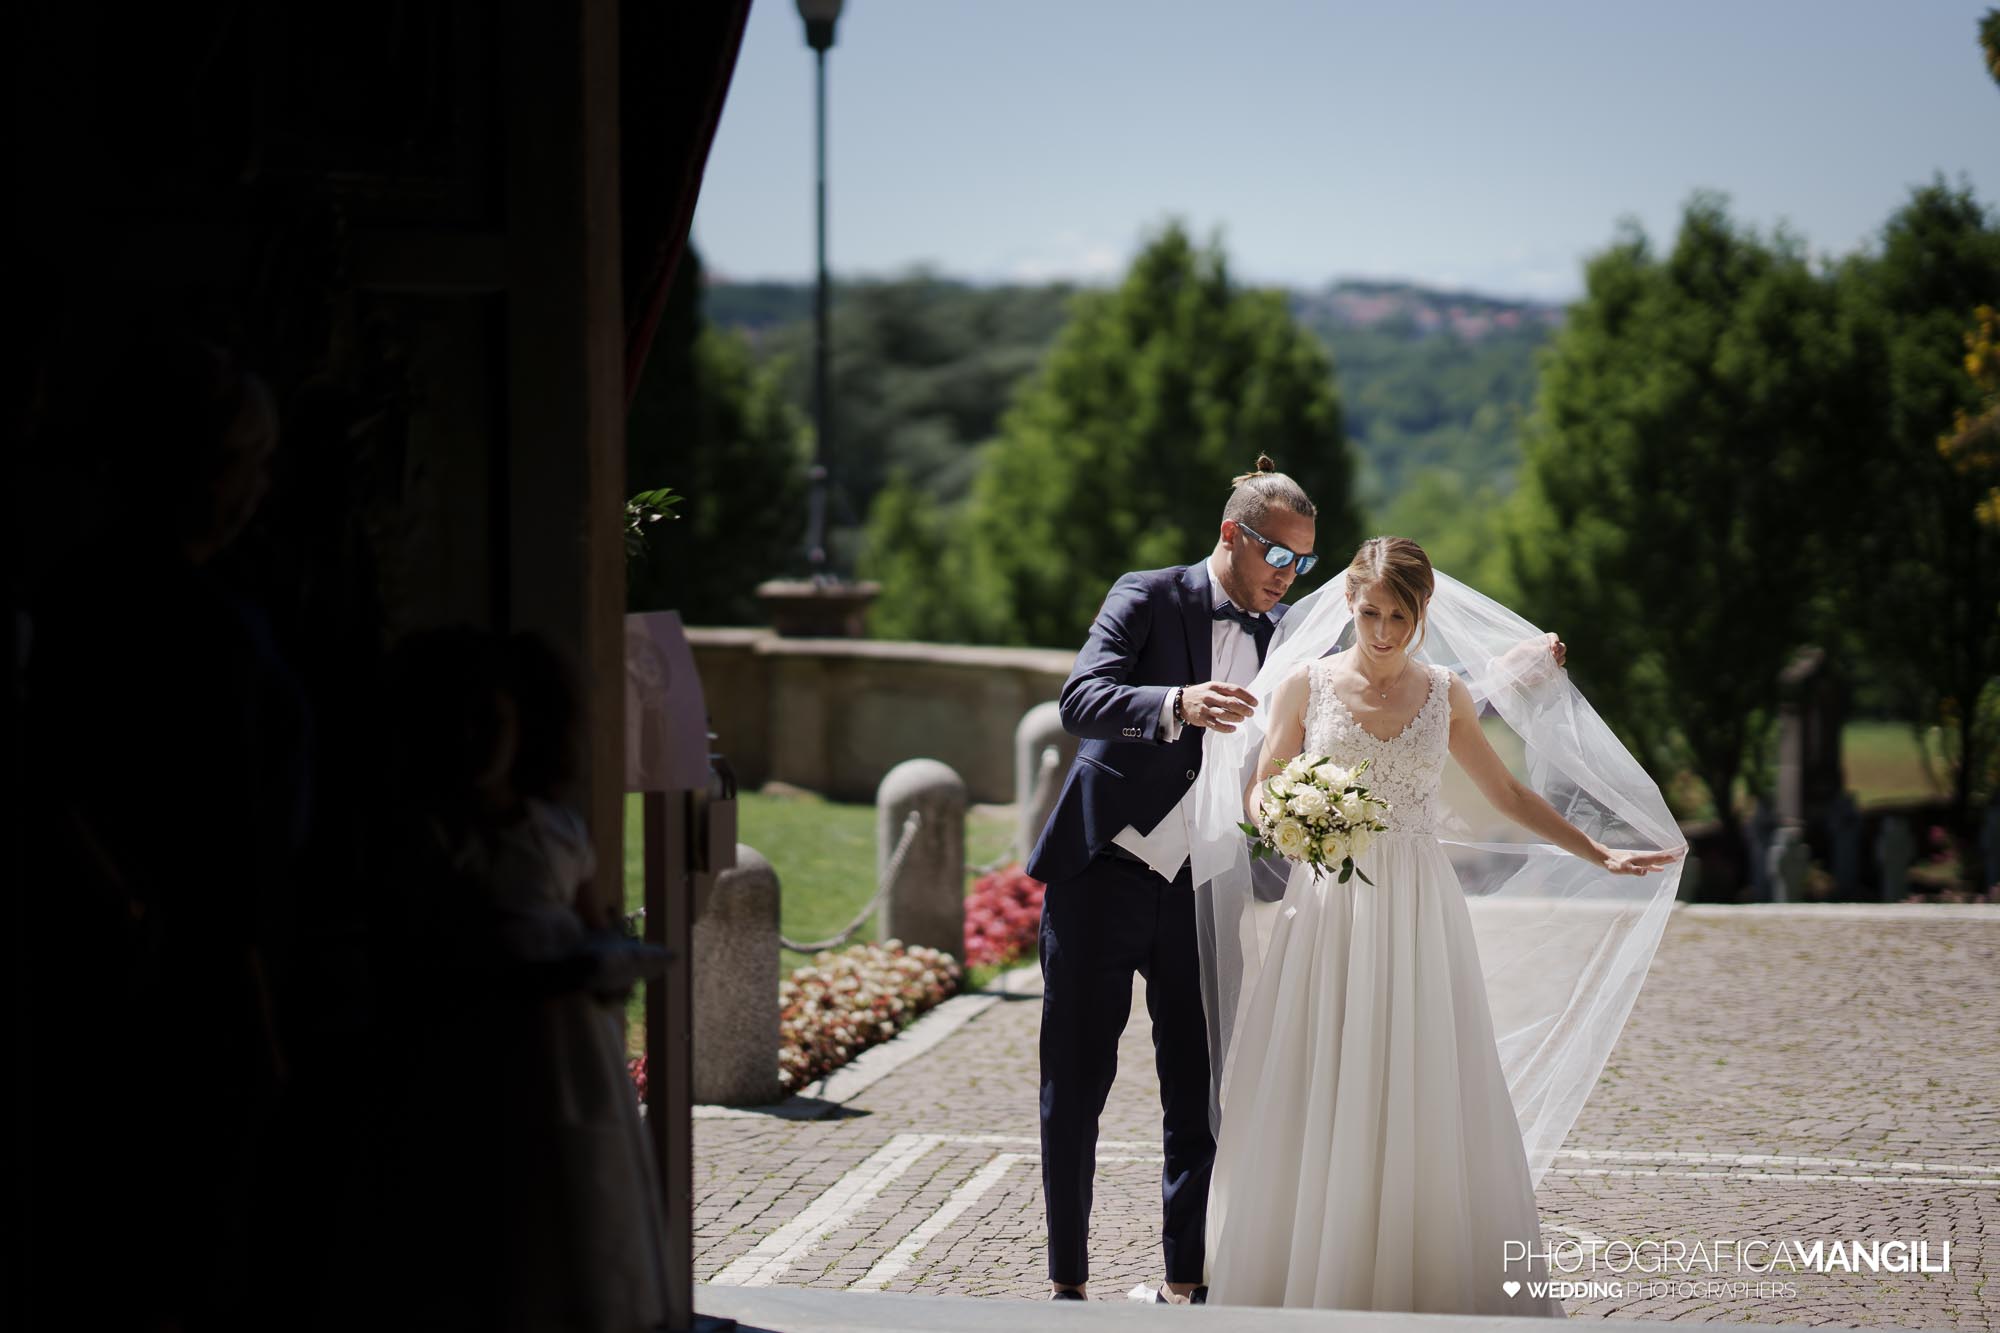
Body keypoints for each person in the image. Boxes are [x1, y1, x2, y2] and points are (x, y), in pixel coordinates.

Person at [1191, 537, 1682, 1314]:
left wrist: (1598, 852)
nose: (1382, 631)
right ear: (1349, 605)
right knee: (1324, 1063)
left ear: (1422, 614)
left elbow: (1509, 793)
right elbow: (1260, 785)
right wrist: (1287, 820)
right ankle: (1310, 1262)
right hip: (1327, 908)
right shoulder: (1303, 685)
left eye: (1399, 616)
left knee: (1422, 1066)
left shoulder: (1444, 692)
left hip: (1418, 907)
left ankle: (1421, 1262)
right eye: (1370, 613)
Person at [1026, 455, 1314, 1304]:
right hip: (1100, 876)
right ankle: (1067, 1283)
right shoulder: (1147, 595)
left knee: (1200, 1097)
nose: (1289, 575)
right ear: (1233, 534)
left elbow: (1382, 686)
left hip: (1203, 886)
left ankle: (1185, 1284)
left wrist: (1498, 681)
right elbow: (1081, 696)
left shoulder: (1290, 633)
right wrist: (1174, 704)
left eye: (1303, 562)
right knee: (1075, 1086)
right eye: (1279, 556)